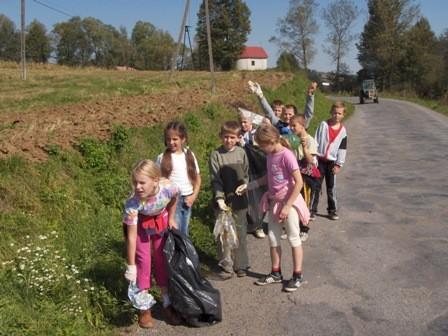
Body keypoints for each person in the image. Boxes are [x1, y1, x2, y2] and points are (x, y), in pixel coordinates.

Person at [123, 159, 181, 328]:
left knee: (161, 260)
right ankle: (144, 308)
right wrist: (131, 265)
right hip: (140, 225)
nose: (137, 187)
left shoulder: (169, 188)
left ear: (155, 180)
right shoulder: (133, 203)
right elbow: (131, 237)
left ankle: (167, 303)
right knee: (144, 262)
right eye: (135, 182)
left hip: (159, 221)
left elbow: (175, 198)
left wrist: (171, 217)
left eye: (142, 182)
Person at [253, 124, 310, 292]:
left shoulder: (287, 155)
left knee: (293, 237)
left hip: (288, 202)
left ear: (271, 141)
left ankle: (297, 275)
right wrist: (251, 185)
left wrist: (288, 205)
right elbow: (268, 177)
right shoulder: (270, 155)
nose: (262, 149)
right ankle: (276, 273)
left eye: (262, 146)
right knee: (273, 237)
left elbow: (299, 182)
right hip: (274, 202)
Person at [209, 121, 250, 279]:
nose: (229, 140)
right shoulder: (216, 155)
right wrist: (219, 198)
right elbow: (215, 178)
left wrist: (246, 185)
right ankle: (226, 265)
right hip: (223, 200)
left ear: (239, 138)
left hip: (240, 199)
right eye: (226, 137)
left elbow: (246, 174)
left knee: (240, 231)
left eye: (232, 137)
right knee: (224, 234)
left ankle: (241, 264)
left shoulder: (241, 153)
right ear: (221, 137)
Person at [156, 121, 201, 236]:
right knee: (175, 232)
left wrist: (193, 196)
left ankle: (184, 252)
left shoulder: (189, 155)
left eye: (175, 139)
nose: (171, 142)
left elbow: (197, 178)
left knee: (184, 230)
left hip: (187, 199)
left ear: (183, 139)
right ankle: (177, 253)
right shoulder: (162, 158)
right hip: (171, 201)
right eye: (168, 139)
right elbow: (157, 180)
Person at [288, 114, 321, 241]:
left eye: (294, 126)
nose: (291, 128)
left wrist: (305, 148)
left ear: (302, 126)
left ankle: (304, 229)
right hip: (295, 175)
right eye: (290, 126)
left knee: (305, 203)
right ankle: (293, 227)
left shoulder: (310, 140)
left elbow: (311, 161)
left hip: (308, 176)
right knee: (294, 201)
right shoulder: (292, 139)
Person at [314, 101, 347, 220]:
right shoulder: (323, 125)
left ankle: (332, 210)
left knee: (331, 187)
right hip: (320, 160)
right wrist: (314, 157)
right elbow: (316, 140)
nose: (336, 115)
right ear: (330, 112)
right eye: (334, 113)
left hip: (332, 163)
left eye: (339, 113)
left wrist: (339, 164)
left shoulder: (343, 131)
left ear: (343, 115)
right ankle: (312, 210)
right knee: (316, 185)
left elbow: (342, 149)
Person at [238, 108, 267, 239]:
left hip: (256, 171)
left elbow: (259, 153)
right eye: (241, 122)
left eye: (245, 122)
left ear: (251, 122)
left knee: (257, 199)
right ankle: (246, 223)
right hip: (243, 171)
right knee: (245, 198)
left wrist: (246, 145)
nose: (243, 125)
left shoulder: (257, 134)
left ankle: (258, 225)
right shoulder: (238, 134)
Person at [248, 81, 317, 135]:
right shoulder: (279, 124)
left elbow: (308, 113)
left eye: (290, 114)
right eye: (285, 114)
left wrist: (310, 96)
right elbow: (269, 112)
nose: (287, 116)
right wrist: (260, 96)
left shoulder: (301, 125)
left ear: (295, 115)